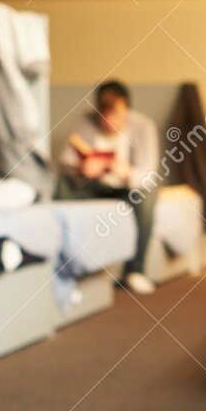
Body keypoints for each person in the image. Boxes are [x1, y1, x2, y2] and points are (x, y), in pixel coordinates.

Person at [60, 79, 161, 296]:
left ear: (126, 109)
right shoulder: (85, 123)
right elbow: (66, 161)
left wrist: (126, 172)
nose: (109, 120)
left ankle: (135, 270)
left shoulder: (143, 127)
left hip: (126, 189)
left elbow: (149, 173)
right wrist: (82, 168)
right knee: (61, 184)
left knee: (147, 195)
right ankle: (64, 265)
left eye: (115, 114)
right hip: (94, 187)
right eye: (104, 114)